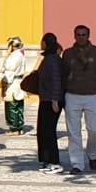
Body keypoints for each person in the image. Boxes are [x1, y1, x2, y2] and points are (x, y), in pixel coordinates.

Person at [61, 24, 96, 173]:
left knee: (95, 130)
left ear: (88, 36)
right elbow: (63, 75)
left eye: (84, 34)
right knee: (73, 132)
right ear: (74, 36)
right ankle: (77, 164)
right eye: (78, 34)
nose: (81, 37)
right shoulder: (68, 53)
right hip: (72, 95)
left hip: (93, 96)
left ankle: (92, 155)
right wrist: (60, 96)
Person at [35, 33, 65, 173]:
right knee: (43, 130)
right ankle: (47, 160)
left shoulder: (52, 59)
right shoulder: (48, 58)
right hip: (46, 99)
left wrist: (54, 100)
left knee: (49, 131)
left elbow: (56, 80)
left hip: (51, 100)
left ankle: (55, 162)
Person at [1, 36, 29, 135]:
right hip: (19, 82)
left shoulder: (14, 56)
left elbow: (9, 69)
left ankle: (14, 128)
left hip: (13, 82)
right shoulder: (21, 56)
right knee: (19, 106)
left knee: (12, 106)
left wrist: (3, 80)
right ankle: (20, 127)